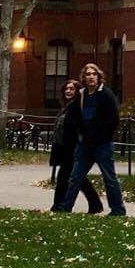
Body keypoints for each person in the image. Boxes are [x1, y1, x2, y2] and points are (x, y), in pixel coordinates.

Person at [52, 63, 126, 215]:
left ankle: (118, 210)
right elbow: (73, 117)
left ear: (99, 77)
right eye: (88, 74)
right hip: (84, 145)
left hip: (102, 145)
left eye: (94, 74)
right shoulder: (82, 95)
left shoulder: (106, 95)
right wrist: (81, 133)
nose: (91, 76)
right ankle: (65, 208)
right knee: (75, 177)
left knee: (109, 178)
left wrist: (101, 136)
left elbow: (113, 120)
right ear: (84, 78)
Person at [48, 78, 103, 213]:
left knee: (66, 177)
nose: (68, 91)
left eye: (71, 89)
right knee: (77, 178)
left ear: (78, 91)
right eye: (66, 89)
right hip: (64, 148)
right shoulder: (67, 107)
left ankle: (59, 206)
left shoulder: (79, 107)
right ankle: (95, 205)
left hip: (74, 148)